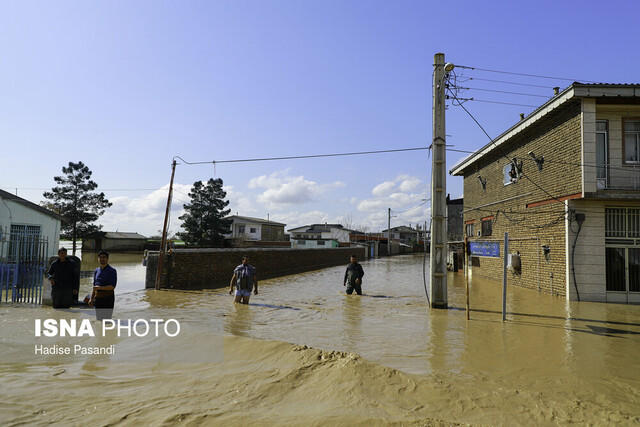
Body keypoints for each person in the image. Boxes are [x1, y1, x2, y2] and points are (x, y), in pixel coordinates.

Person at [90, 251, 117, 320]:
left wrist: (100, 288)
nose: (102, 259)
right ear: (98, 259)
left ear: (107, 259)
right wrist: (91, 299)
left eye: (104, 257)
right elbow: (94, 286)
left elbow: (112, 287)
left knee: (107, 320)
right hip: (98, 298)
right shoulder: (96, 270)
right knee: (99, 319)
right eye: (100, 257)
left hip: (108, 298)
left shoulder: (112, 271)